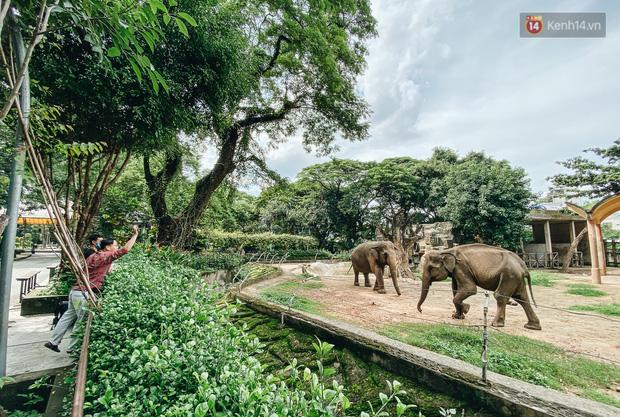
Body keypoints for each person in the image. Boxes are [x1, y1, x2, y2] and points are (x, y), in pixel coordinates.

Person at [44, 225, 139, 353]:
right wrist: (135, 235)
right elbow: (126, 249)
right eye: (115, 245)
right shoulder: (105, 256)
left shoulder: (93, 256)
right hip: (84, 294)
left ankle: (53, 342)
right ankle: (72, 348)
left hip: (75, 292)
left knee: (67, 316)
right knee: (81, 320)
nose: (117, 248)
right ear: (108, 247)